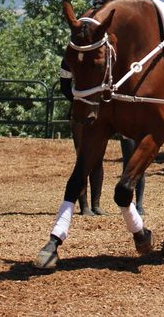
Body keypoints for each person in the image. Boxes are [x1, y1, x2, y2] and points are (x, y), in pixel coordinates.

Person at [59, 59, 145, 215]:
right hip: (81, 113)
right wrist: (80, 103)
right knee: (83, 158)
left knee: (98, 159)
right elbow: (64, 86)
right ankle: (84, 205)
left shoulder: (102, 59)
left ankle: (96, 204)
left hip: (98, 111)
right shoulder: (69, 60)